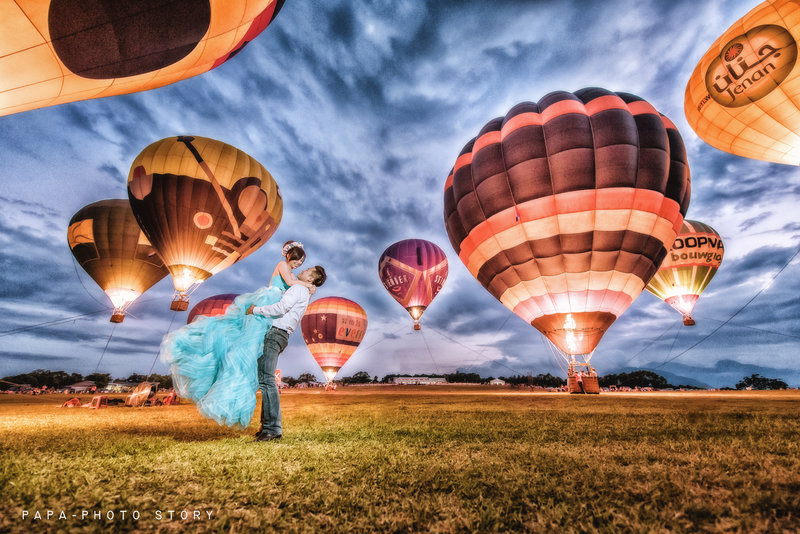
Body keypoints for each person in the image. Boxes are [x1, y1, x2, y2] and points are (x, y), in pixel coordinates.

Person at [161, 241, 314, 428]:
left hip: (273, 314)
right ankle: (269, 424)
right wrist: (308, 285)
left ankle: (267, 422)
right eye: (298, 259)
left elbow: (293, 298)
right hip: (267, 302)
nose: (299, 264)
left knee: (254, 356)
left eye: (302, 262)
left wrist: (306, 288)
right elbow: (290, 284)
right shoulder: (283, 266)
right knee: (245, 340)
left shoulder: (293, 275)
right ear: (290, 256)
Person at [246, 265, 327, 441]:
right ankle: (266, 425)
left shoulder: (298, 288)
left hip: (275, 332)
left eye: (307, 270)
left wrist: (255, 310)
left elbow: (281, 308)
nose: (303, 270)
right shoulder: (304, 292)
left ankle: (272, 428)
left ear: (310, 279)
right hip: (282, 335)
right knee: (265, 379)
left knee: (266, 380)